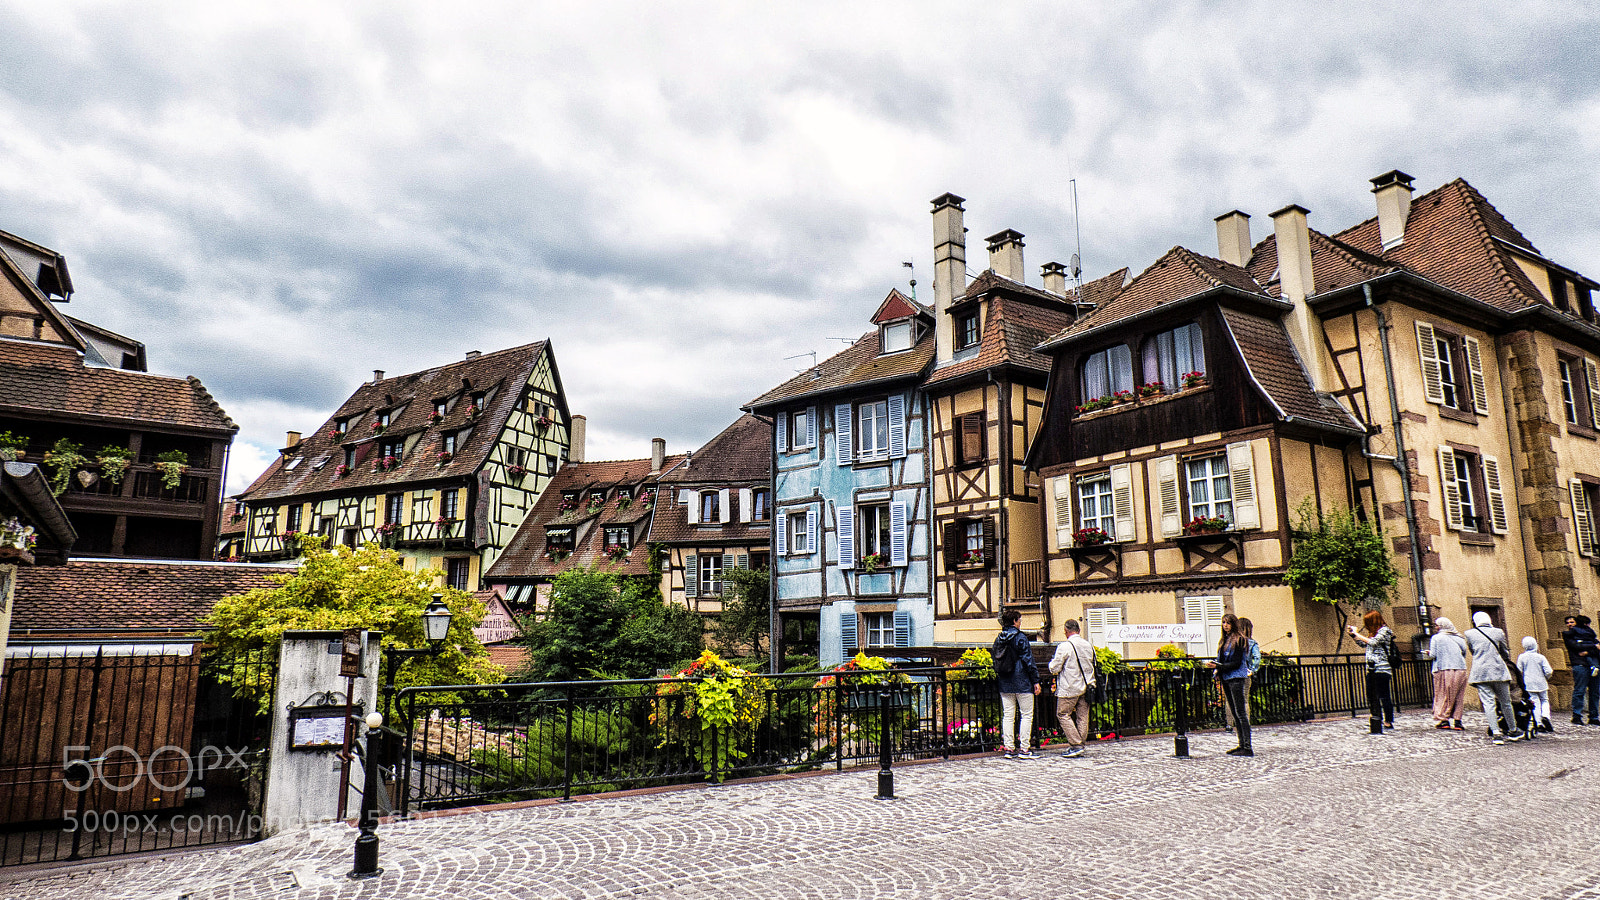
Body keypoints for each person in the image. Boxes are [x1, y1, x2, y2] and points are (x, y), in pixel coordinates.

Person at [1464, 611, 1520, 745]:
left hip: (1480, 672)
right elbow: (1504, 651)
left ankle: (1496, 733)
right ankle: (1513, 730)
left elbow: (1472, 651)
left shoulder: (1469, 634)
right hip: (1498, 670)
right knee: (1506, 702)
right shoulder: (1498, 632)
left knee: (1488, 703)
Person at [993, 609, 1041, 759]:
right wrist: (1035, 680)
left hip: (1005, 681)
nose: (1020, 622)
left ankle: (1009, 747)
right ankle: (1025, 749)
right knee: (1026, 715)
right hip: (1022, 681)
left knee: (1008, 716)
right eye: (1019, 620)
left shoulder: (999, 638)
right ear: (1014, 621)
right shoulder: (1020, 637)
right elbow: (1028, 660)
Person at [1047, 618, 1096, 758]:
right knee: (1082, 716)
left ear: (1066, 631)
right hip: (1087, 686)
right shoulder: (1088, 645)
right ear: (1079, 630)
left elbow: (1054, 667)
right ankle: (1080, 743)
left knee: (1063, 714)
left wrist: (1051, 665)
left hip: (1069, 687)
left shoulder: (1065, 646)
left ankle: (1076, 744)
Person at [1210, 613, 1253, 756]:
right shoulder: (1224, 640)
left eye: (1228, 622)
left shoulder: (1240, 640)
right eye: (1223, 622)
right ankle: (1241, 744)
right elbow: (1222, 659)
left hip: (1235, 677)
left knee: (1240, 712)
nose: (1225, 625)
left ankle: (1247, 746)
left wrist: (1219, 666)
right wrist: (1216, 667)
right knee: (1235, 712)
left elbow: (1235, 662)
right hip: (1226, 677)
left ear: (1234, 624)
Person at [1348, 610, 1396, 730]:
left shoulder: (1385, 631)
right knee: (1372, 696)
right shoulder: (1373, 633)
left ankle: (1388, 721)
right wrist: (1353, 635)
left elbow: (1373, 643)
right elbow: (1364, 644)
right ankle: (1376, 718)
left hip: (1382, 668)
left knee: (1384, 696)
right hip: (1371, 668)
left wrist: (1357, 633)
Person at [1427, 617, 1470, 731]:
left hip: (1443, 668)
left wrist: (1428, 653)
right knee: (1458, 696)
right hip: (1460, 669)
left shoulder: (1436, 638)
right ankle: (1457, 721)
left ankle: (1444, 719)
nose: (1436, 627)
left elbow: (1433, 655)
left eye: (1437, 625)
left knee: (1443, 694)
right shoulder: (1460, 638)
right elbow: (1464, 653)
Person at [1560, 614, 1599, 725]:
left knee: (1595, 692)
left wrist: (1588, 651)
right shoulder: (1568, 636)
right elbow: (1576, 647)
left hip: (1594, 665)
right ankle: (1577, 715)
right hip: (1579, 664)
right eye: (1567, 623)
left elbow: (1597, 649)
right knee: (1579, 691)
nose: (1569, 625)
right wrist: (1594, 647)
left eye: (1572, 622)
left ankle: (1594, 716)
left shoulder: (1588, 634)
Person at [1517, 636, 1555, 734]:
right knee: (1544, 700)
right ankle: (1546, 716)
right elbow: (1549, 671)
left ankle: (1538, 723)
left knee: (1534, 702)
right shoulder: (1540, 657)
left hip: (1529, 683)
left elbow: (1519, 671)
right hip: (1541, 682)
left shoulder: (1522, 657)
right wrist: (1545, 678)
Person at [1239, 617, 1262, 717]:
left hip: (1232, 672)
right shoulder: (1252, 642)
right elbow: (1257, 657)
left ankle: (1230, 725)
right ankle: (1246, 722)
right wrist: (1252, 670)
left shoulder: (1233, 641)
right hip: (1245, 672)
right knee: (1245, 700)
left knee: (1231, 700)